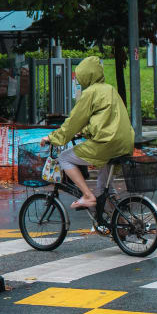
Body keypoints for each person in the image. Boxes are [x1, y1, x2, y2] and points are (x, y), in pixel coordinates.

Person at [40, 56, 134, 209]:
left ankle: (87, 195)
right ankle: (121, 224)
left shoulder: (90, 92)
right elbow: (107, 120)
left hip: (106, 144)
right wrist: (84, 131)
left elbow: (74, 121)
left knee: (64, 158)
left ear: (85, 75)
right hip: (124, 143)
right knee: (104, 188)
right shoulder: (110, 89)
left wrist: (52, 137)